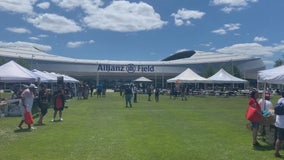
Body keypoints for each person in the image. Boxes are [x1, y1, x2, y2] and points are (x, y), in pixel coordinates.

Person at [274, 92, 284, 157]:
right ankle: (277, 153)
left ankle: (276, 152)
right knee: (280, 139)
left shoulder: (280, 100)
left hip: (279, 122)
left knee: (279, 138)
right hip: (283, 123)